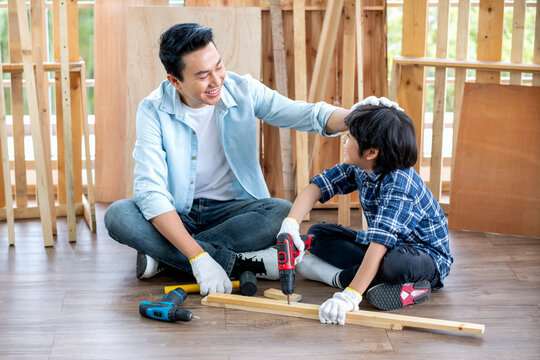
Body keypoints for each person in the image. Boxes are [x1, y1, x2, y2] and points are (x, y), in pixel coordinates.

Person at [104, 22, 364, 296]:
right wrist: (199, 258)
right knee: (118, 216)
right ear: (175, 81)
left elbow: (306, 114)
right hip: (178, 211)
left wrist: (359, 117)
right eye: (203, 76)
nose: (217, 81)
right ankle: (236, 262)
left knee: (281, 212)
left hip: (234, 213)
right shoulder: (153, 109)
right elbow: (150, 192)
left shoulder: (242, 89)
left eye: (218, 66)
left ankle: (165, 257)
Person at [278, 103, 453, 325]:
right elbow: (317, 188)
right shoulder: (362, 166)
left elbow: (379, 245)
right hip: (387, 245)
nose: (344, 140)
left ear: (371, 152)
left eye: (350, 137)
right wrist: (291, 223)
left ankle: (342, 279)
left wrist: (348, 297)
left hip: (425, 258)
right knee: (318, 234)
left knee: (393, 264)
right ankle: (374, 280)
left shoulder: (400, 185)